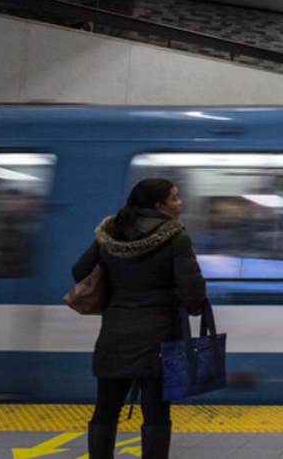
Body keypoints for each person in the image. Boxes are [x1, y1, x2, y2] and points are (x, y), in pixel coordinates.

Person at [72, 179, 207, 459]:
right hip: (160, 340)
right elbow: (193, 294)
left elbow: (79, 272)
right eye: (175, 198)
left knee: (106, 407)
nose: (180, 203)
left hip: (115, 334)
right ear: (159, 207)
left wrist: (116, 288)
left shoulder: (110, 233)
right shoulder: (176, 237)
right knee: (156, 411)